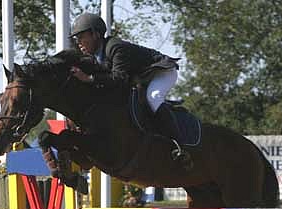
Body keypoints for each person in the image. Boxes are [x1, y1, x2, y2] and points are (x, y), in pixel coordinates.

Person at [68, 12, 191, 168]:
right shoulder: (94, 56)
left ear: (95, 34)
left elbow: (119, 78)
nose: (78, 42)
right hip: (140, 77)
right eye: (76, 38)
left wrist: (89, 78)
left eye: (81, 37)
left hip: (161, 71)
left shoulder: (115, 47)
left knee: (153, 97)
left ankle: (179, 145)